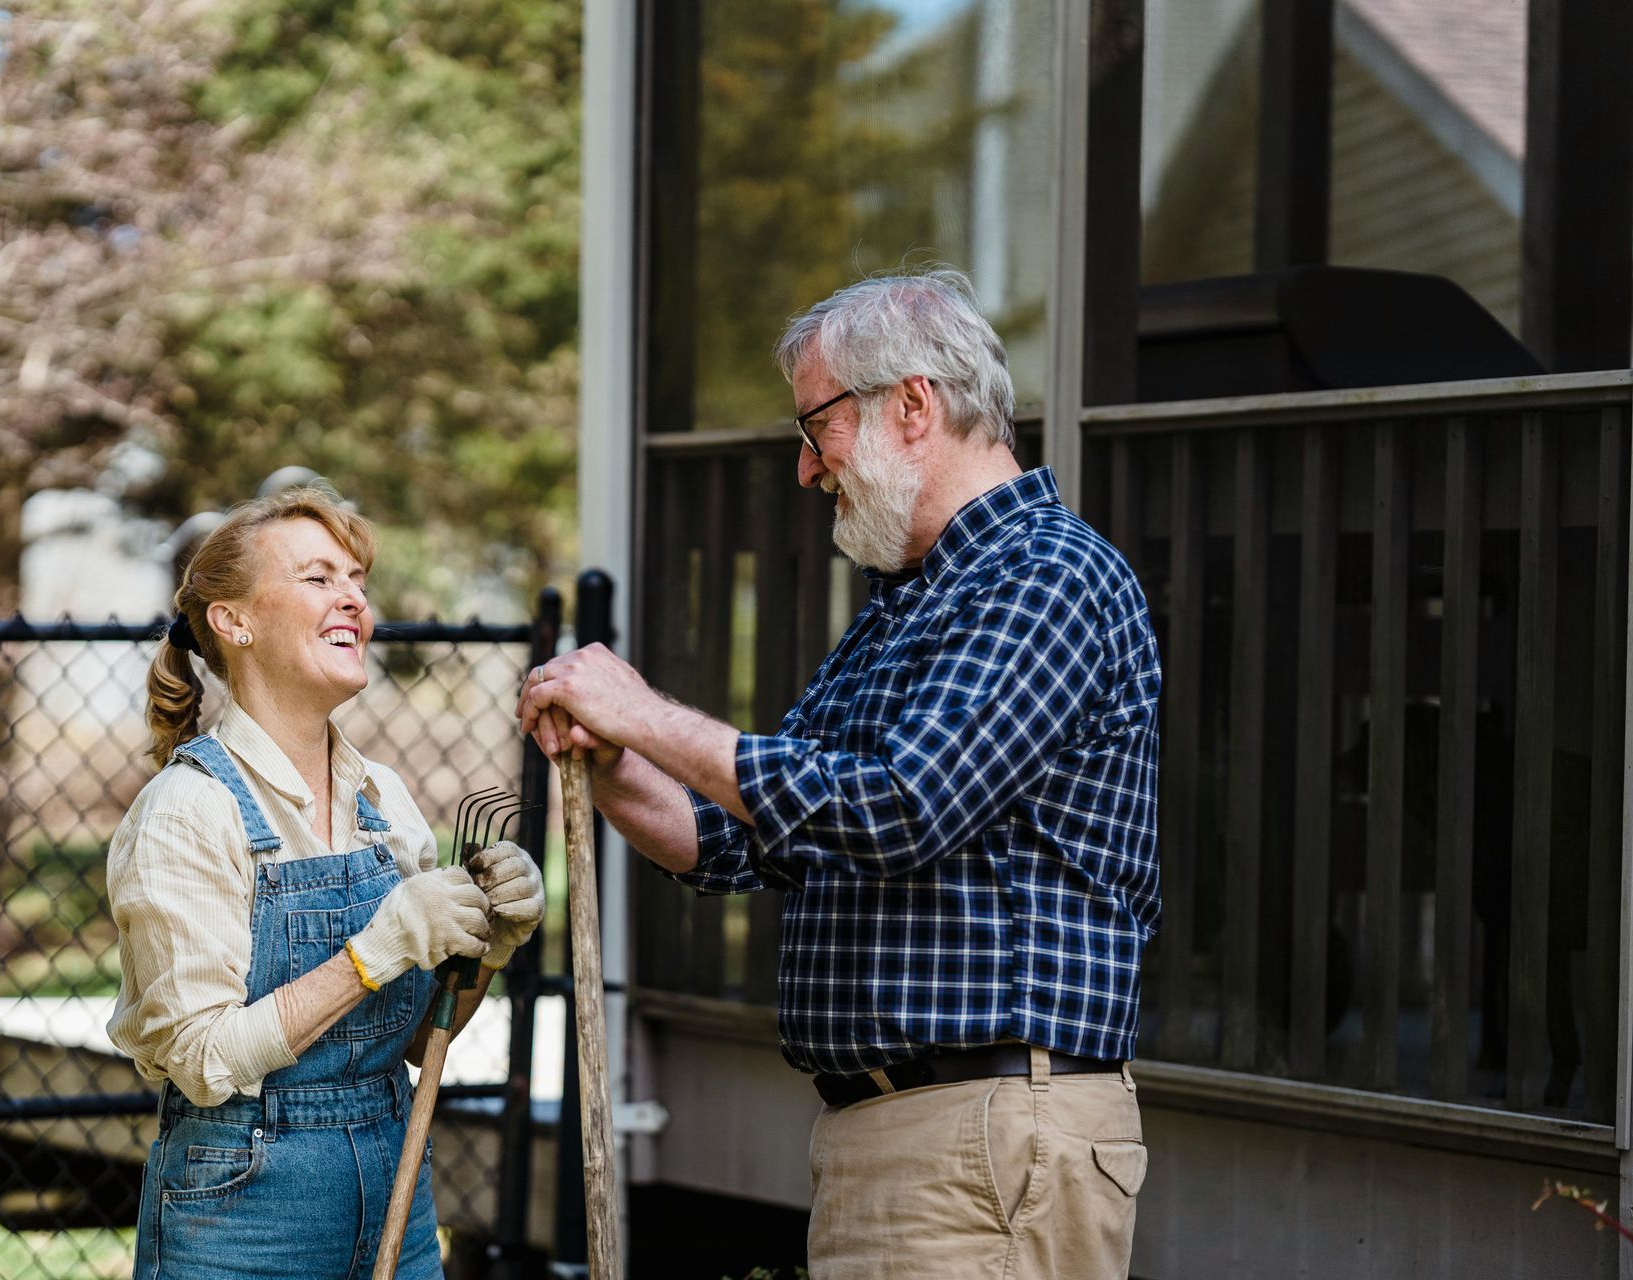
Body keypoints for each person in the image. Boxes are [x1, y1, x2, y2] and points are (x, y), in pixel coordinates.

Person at [519, 271, 1161, 1278]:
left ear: (913, 405)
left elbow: (902, 805)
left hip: (983, 1132)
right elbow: (737, 837)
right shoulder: (904, 606)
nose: (807, 469)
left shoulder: (1046, 574)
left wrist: (645, 710)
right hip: (906, 1140)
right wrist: (613, 759)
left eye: (816, 427)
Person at [107, 484, 546, 1280]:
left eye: (357, 582)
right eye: (317, 578)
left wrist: (490, 948)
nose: (353, 599)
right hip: (245, 1204)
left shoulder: (384, 802)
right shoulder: (188, 811)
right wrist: (372, 954)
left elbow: (416, 1039)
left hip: (393, 1181)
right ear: (233, 621)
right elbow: (204, 1060)